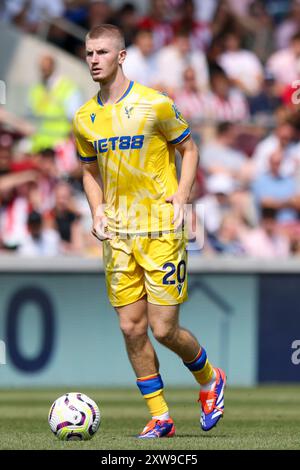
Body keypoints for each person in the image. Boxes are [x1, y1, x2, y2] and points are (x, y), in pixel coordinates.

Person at [73, 24, 226, 439]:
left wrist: (181, 194)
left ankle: (211, 379)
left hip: (159, 228)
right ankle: (160, 416)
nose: (93, 59)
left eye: (102, 52)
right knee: (131, 328)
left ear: (121, 56)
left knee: (163, 329)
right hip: (119, 234)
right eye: (89, 53)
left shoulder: (155, 104)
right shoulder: (85, 118)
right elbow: (88, 171)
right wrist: (96, 210)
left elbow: (188, 149)